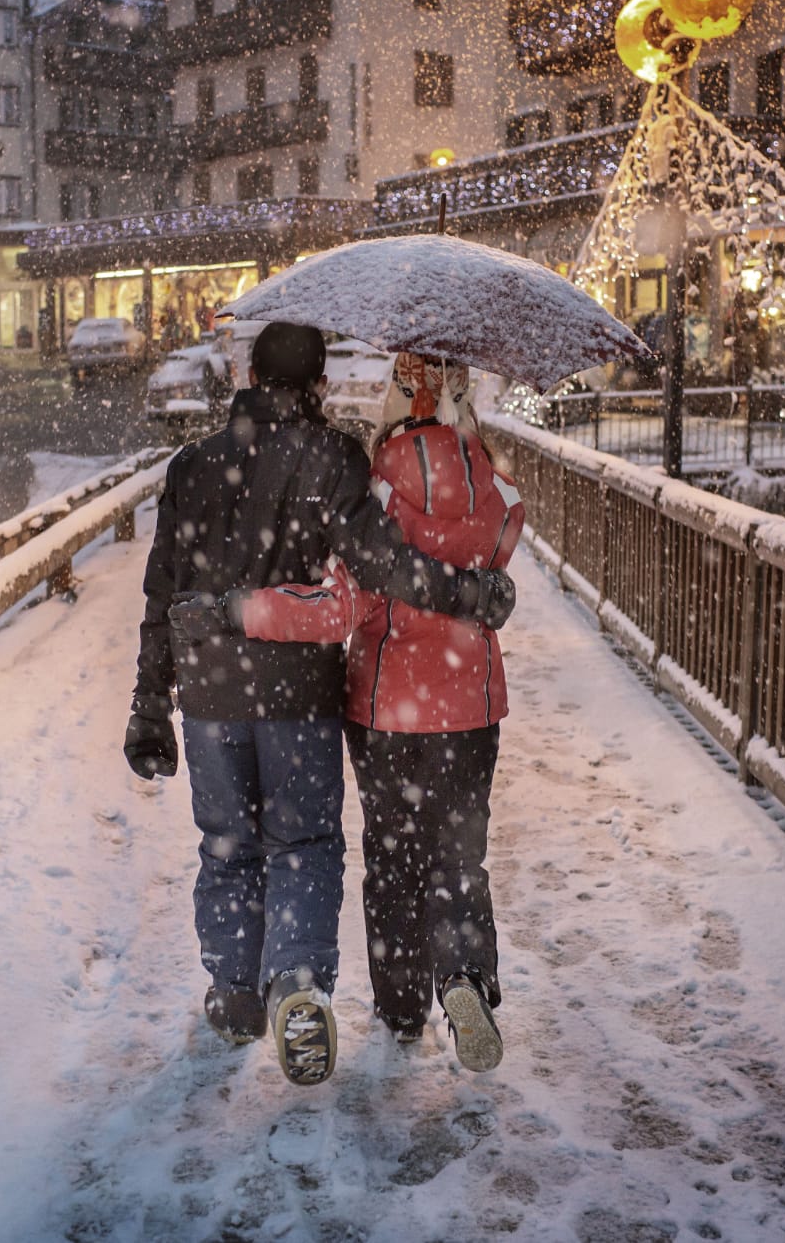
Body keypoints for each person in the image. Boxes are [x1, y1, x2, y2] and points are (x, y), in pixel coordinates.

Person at [126, 322, 515, 1088]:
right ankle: (299, 982)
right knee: (305, 843)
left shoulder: (192, 465)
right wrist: (463, 592)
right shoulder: (334, 457)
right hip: (300, 693)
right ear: (319, 384)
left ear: (246, 373)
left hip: (210, 694)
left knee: (228, 845)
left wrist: (148, 700)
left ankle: (237, 994)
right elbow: (378, 565)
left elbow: (163, 590)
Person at [225, 354, 522, 1072]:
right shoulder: (488, 474)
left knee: (393, 858)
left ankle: (399, 1005)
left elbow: (345, 602)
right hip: (472, 700)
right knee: (460, 855)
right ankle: (463, 976)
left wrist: (249, 609)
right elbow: (501, 553)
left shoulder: (377, 481)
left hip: (388, 705)